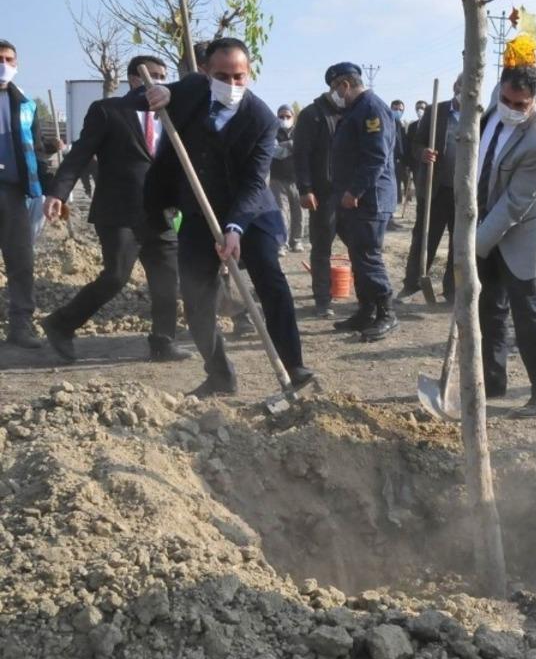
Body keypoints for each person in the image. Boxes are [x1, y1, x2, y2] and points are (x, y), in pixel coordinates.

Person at [141, 37, 313, 397]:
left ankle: (293, 367)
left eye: (240, 77)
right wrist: (158, 94)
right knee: (195, 294)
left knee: (270, 277)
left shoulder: (262, 120)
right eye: (223, 76)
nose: (232, 84)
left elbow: (254, 182)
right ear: (206, 72)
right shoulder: (189, 90)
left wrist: (234, 229)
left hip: (251, 212)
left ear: (249, 75)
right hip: (198, 210)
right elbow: (140, 97)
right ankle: (219, 375)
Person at [41, 55, 190, 364]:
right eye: (154, 75)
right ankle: (60, 324)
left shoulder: (171, 115)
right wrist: (59, 192)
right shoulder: (108, 112)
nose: (160, 81)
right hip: (119, 212)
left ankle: (163, 341)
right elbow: (80, 154)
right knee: (116, 276)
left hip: (160, 212)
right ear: (135, 79)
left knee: (166, 281)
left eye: (164, 76)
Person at [466, 65, 536, 417]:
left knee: (527, 310)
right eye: (506, 98)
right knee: (488, 306)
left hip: (520, 231)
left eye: (520, 104)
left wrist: (474, 245)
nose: (510, 107)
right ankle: (492, 380)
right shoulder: (494, 100)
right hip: (482, 217)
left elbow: (513, 206)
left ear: (535, 99)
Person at [325, 62, 398, 341]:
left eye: (335, 89)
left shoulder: (371, 108)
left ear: (345, 85)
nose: (334, 95)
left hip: (369, 197)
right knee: (358, 255)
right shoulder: (357, 109)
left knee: (368, 255)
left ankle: (386, 313)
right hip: (356, 198)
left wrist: (354, 191)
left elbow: (376, 157)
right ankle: (366, 310)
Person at [0, 38, 50, 349]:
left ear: (16, 65)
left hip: (14, 194)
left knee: (21, 261)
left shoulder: (25, 106)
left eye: (8, 59)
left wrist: (50, 191)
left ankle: (21, 326)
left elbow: (39, 152)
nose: (3, 64)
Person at [400, 75, 462, 302]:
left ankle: (452, 289)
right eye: (462, 89)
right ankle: (412, 284)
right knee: (425, 237)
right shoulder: (437, 112)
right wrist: (423, 153)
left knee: (460, 242)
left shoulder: (478, 115)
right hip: (436, 188)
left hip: (462, 192)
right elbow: (416, 144)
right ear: (456, 88)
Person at [293, 69, 345, 318]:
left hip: (352, 194)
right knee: (322, 247)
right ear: (335, 86)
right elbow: (300, 154)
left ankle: (365, 300)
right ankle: (323, 300)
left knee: (361, 247)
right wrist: (305, 189)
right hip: (323, 195)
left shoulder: (354, 112)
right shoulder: (312, 115)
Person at [270, 104, 304, 253]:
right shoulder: (272, 131)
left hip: (297, 179)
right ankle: (281, 244)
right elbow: (274, 152)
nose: (284, 119)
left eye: (287, 116)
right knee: (281, 213)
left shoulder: (300, 132)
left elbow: (303, 149)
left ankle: (296, 241)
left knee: (299, 213)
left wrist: (286, 146)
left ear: (293, 117)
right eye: (281, 116)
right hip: (277, 179)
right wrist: (291, 146)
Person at [388, 99, 410, 230]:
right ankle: (388, 219)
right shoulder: (388, 122)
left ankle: (391, 218)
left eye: (400, 109)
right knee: (391, 190)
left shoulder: (400, 125)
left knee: (396, 191)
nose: (397, 111)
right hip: (391, 161)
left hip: (401, 162)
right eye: (395, 109)